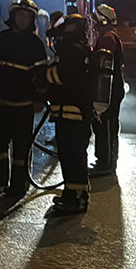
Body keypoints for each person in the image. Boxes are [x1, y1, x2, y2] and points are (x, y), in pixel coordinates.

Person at [0, 0, 49, 196]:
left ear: (32, 20)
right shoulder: (1, 39)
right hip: (1, 103)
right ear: (13, 16)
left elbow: (41, 76)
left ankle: (19, 185)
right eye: (20, 15)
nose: (23, 19)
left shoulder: (35, 44)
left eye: (27, 16)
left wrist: (39, 99)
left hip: (23, 105)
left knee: (21, 148)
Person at [42, 14, 96, 216]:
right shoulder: (81, 49)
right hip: (75, 113)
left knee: (72, 156)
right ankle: (72, 194)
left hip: (71, 114)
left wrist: (44, 75)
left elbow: (62, 76)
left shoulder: (72, 50)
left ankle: (77, 200)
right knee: (73, 157)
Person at [91, 4, 125, 177]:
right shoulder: (109, 36)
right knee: (103, 126)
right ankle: (103, 160)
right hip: (110, 89)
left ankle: (106, 164)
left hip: (108, 91)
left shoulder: (107, 38)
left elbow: (103, 66)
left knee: (107, 127)